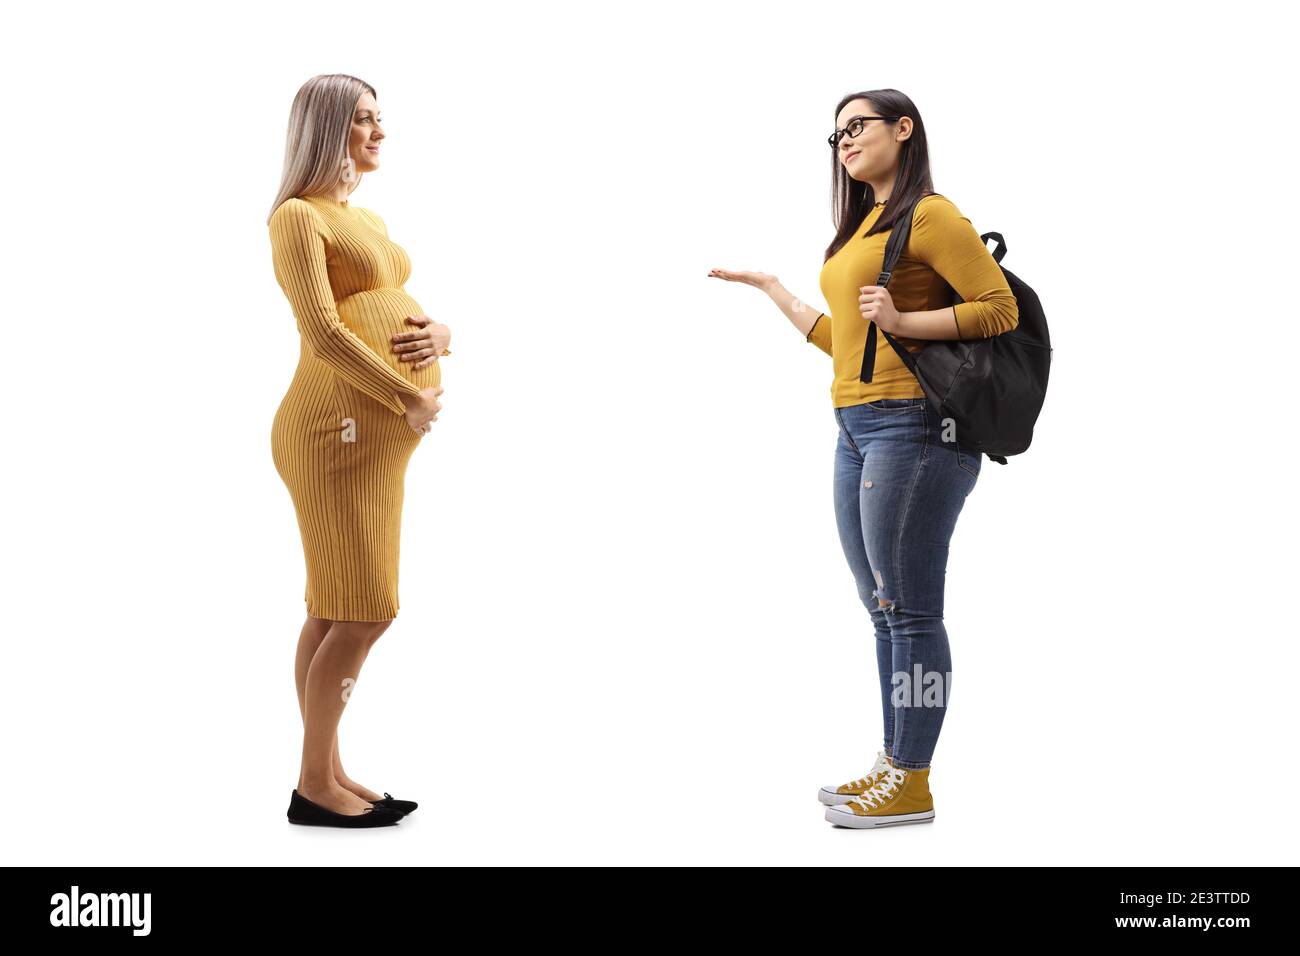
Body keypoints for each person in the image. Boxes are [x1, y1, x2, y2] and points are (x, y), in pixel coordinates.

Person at [708, 88, 1018, 829]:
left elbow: (996, 307)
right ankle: (892, 761)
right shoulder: (864, 228)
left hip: (913, 431)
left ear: (903, 130)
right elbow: (851, 342)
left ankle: (913, 780)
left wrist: (907, 317)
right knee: (884, 610)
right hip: (854, 424)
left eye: (858, 126)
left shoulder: (932, 215)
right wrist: (775, 291)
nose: (843, 141)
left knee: (910, 612)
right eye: (835, 134)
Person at [267, 74, 451, 828]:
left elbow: (391, 310)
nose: (380, 133)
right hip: (333, 432)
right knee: (364, 609)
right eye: (364, 121)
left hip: (368, 440)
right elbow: (325, 331)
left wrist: (439, 336)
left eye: (381, 119)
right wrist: (406, 394)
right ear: (326, 129)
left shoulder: (363, 217)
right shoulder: (296, 218)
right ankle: (314, 786)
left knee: (334, 606)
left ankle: (329, 768)